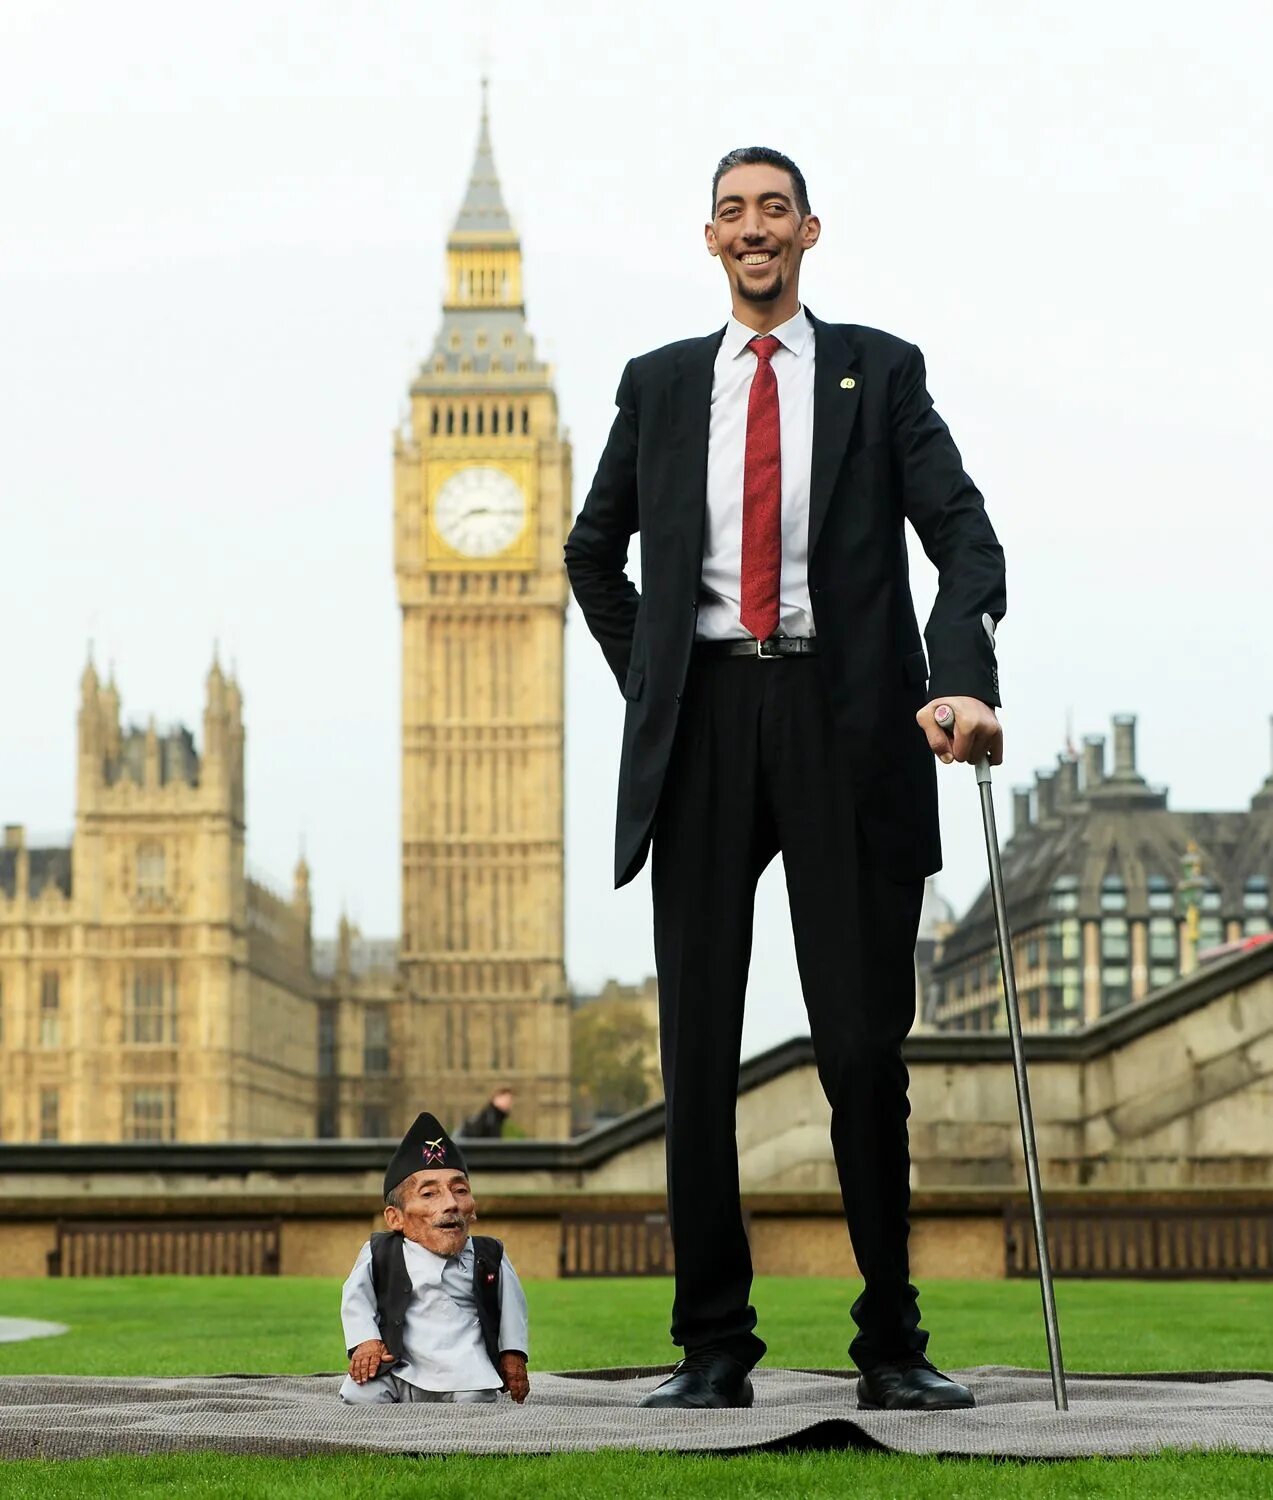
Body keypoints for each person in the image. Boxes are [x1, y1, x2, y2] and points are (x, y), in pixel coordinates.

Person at [564, 147, 1005, 1412]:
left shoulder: (880, 372)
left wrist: (959, 671)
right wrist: (652, 680)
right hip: (703, 718)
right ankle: (711, 1346)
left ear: (808, 231)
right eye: (730, 212)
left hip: (847, 715)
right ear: (709, 241)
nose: (752, 229)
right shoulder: (658, 386)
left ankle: (891, 1344)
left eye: (773, 209)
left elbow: (963, 536)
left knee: (864, 1051)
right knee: (695, 1054)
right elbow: (595, 553)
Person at [338, 1110, 530, 1405]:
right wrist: (366, 1342)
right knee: (359, 1394)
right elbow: (356, 1299)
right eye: (429, 1195)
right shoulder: (381, 1252)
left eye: (460, 1190)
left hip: (466, 1367)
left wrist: (513, 1354)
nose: (451, 1204)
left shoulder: (490, 1255)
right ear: (395, 1218)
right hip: (398, 1365)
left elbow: (513, 1309)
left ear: (473, 1208)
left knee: (476, 1402)